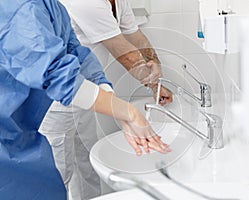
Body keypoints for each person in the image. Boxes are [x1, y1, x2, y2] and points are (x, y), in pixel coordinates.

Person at [0, 0, 170, 199]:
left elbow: (78, 53)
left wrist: (114, 103)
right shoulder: (21, 7)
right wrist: (127, 112)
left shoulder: (53, 6)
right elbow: (56, 75)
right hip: (13, 126)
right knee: (53, 176)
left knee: (78, 170)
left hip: (32, 122)